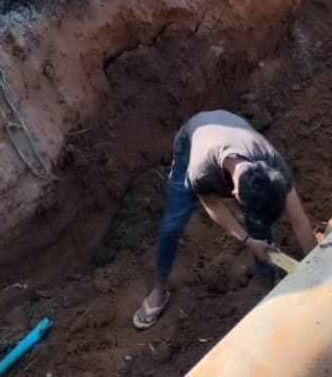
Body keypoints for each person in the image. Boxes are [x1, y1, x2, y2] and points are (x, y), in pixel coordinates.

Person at [132, 109, 318, 330]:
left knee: (259, 227)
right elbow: (212, 206)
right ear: (235, 194)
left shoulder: (272, 164)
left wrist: (318, 265)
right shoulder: (200, 171)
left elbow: (298, 218)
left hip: (230, 128)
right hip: (191, 140)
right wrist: (248, 241)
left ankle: (268, 285)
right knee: (171, 226)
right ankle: (160, 288)